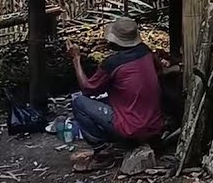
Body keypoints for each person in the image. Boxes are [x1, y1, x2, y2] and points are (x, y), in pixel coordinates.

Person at [68, 17, 168, 170]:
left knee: (79, 102)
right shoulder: (146, 52)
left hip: (132, 127)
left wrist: (76, 59)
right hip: (155, 123)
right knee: (109, 101)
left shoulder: (113, 63)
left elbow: (88, 88)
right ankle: (146, 141)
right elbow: (160, 72)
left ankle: (103, 152)